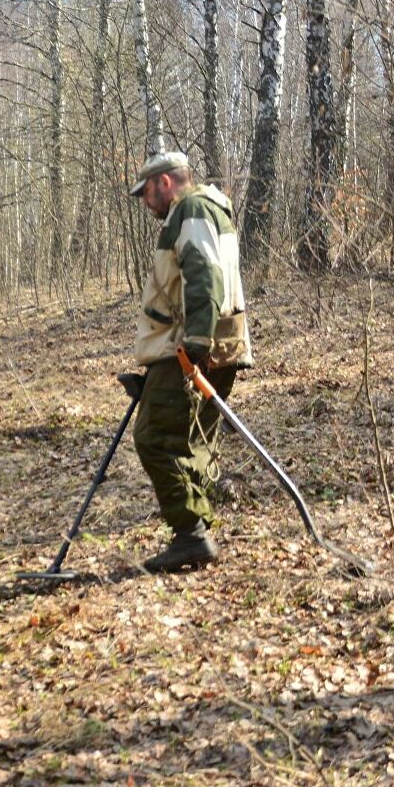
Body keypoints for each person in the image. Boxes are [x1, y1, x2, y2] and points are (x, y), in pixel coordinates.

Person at [125, 151, 252, 572]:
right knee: (193, 441)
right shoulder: (207, 210)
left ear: (164, 182)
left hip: (192, 347)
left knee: (153, 438)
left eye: (146, 191)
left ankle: (190, 533)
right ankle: (193, 532)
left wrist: (195, 343)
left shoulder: (192, 210)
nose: (145, 201)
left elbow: (204, 273)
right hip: (217, 345)